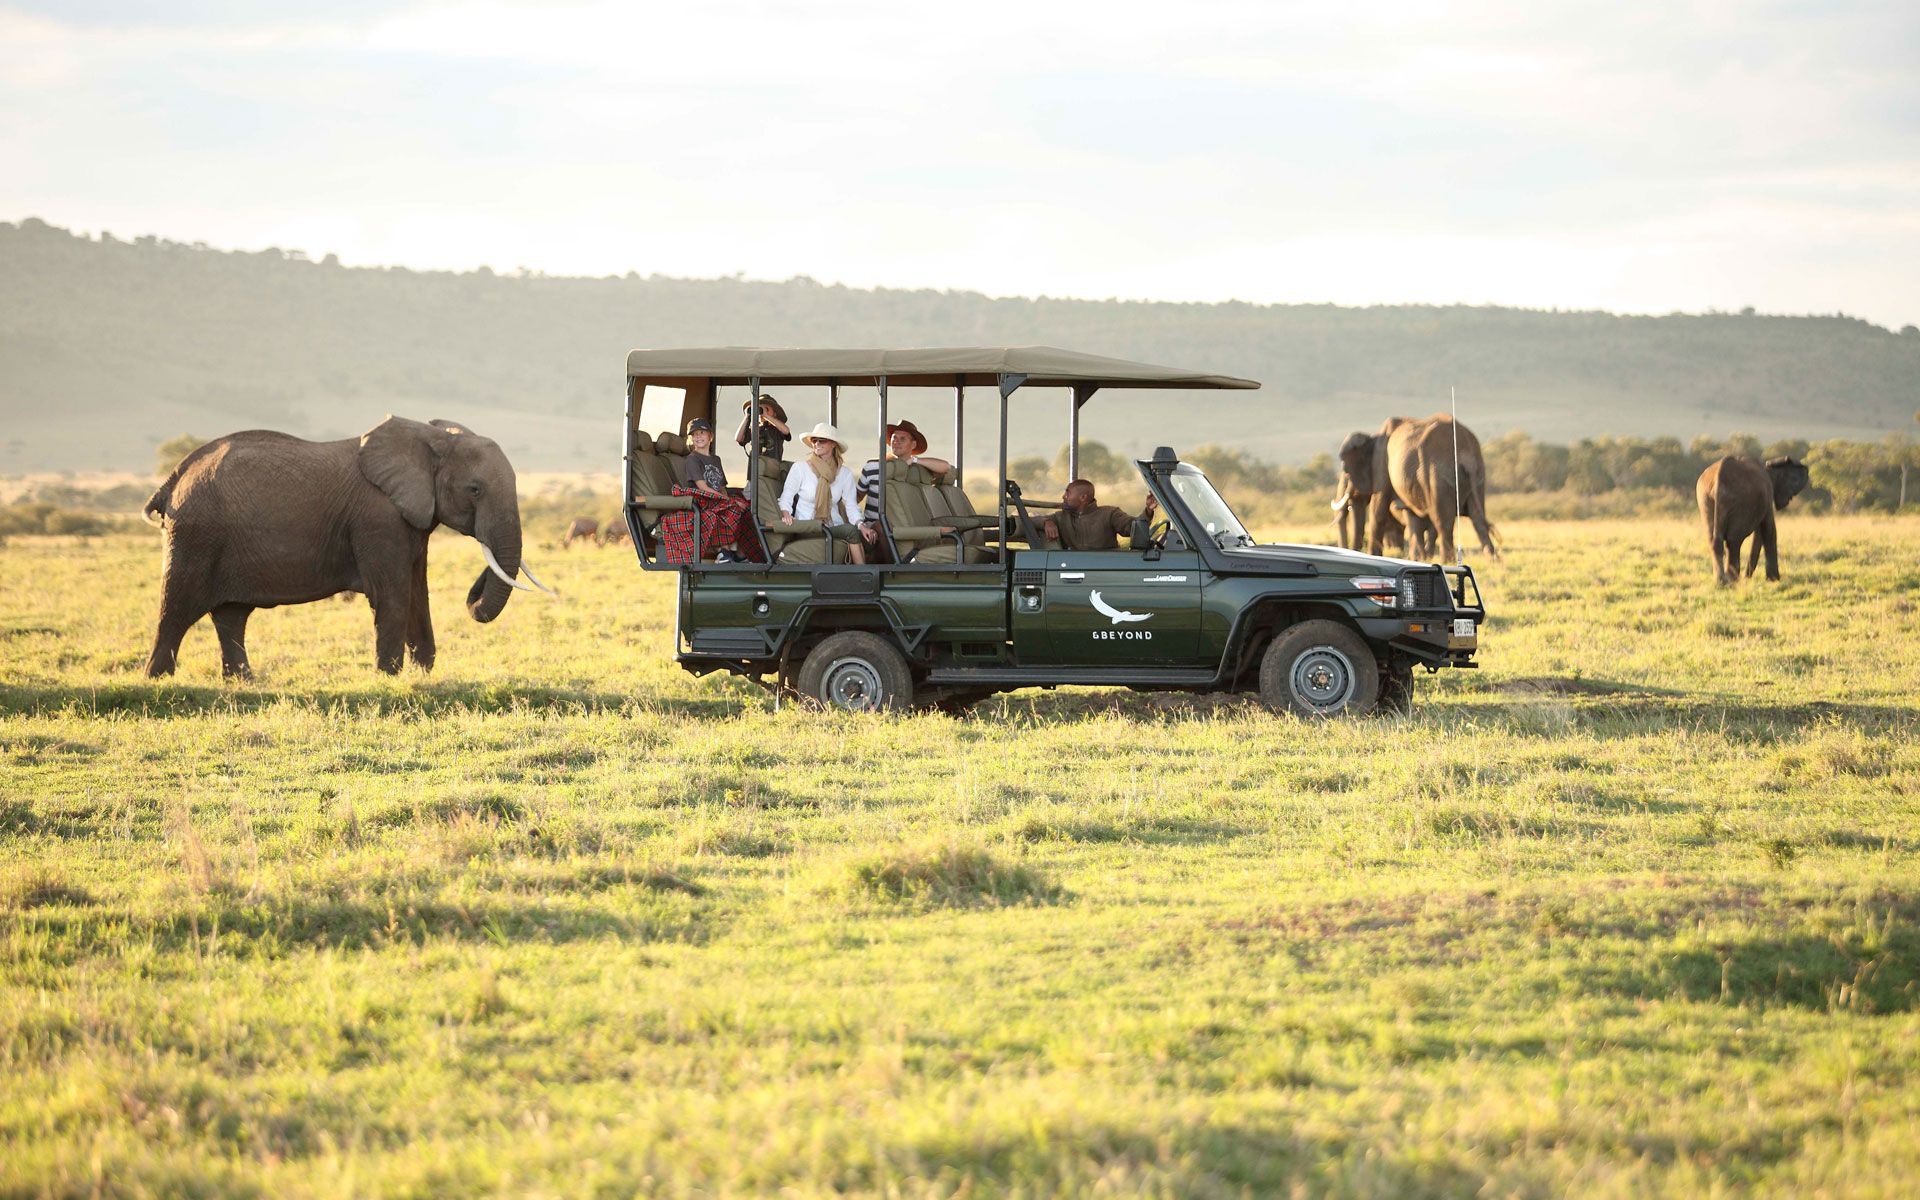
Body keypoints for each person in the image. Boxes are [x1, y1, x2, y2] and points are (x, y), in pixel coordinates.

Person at [779, 423, 869, 565]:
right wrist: (785, 513)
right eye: (814, 440)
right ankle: (864, 575)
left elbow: (851, 505)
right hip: (808, 525)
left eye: (822, 440)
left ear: (833, 444)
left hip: (832, 526)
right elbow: (786, 497)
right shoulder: (800, 468)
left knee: (861, 533)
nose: (817, 443)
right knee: (851, 532)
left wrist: (861, 524)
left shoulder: (844, 473)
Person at [676, 418, 751, 563]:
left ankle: (741, 552)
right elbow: (702, 487)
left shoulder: (716, 459)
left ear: (710, 436)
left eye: (702, 433)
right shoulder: (692, 459)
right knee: (731, 508)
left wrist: (730, 499)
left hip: (718, 497)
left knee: (746, 508)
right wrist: (729, 502)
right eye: (695, 434)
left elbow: (721, 486)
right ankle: (723, 551)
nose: (698, 437)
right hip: (703, 499)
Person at [859, 420, 952, 522]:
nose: (896, 441)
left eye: (902, 439)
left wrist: (914, 460)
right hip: (875, 526)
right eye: (894, 437)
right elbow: (857, 496)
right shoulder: (872, 466)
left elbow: (945, 466)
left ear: (913, 445)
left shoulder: (917, 469)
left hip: (905, 525)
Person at [1042, 479, 1158, 551]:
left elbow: (1132, 527)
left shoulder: (1109, 514)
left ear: (1083, 497)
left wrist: (1148, 510)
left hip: (1105, 568)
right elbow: (1030, 521)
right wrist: (1047, 522)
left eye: (1068, 493)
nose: (1063, 496)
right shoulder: (1061, 517)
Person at [735, 394, 791, 461]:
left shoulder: (777, 429)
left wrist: (766, 416)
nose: (760, 413)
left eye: (766, 409)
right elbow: (738, 439)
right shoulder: (754, 430)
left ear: (775, 414)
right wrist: (747, 416)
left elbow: (786, 431)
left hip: (772, 467)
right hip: (755, 468)